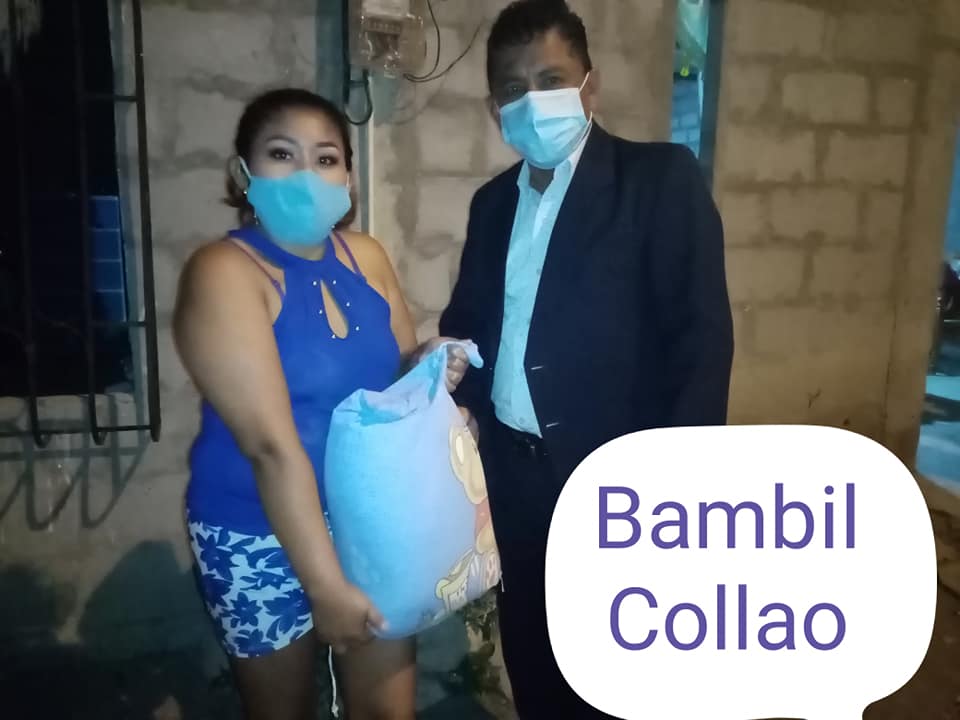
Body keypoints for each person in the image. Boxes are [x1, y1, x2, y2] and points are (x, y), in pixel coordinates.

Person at [438, 1, 735, 717]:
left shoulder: (658, 182)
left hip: (619, 483)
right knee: (534, 653)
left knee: (617, 667)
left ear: (589, 86)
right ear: (495, 110)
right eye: (514, 90)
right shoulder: (490, 205)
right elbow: (470, 325)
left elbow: (701, 346)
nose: (532, 101)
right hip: (514, 478)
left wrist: (675, 494)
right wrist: (453, 372)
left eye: (551, 80)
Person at [173, 88, 469, 720]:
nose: (307, 174)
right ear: (243, 174)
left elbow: (395, 375)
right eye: (282, 154)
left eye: (326, 158)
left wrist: (429, 366)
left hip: (368, 517)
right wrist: (325, 584)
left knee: (386, 711)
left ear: (349, 178)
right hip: (256, 530)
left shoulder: (366, 256)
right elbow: (270, 447)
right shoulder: (223, 272)